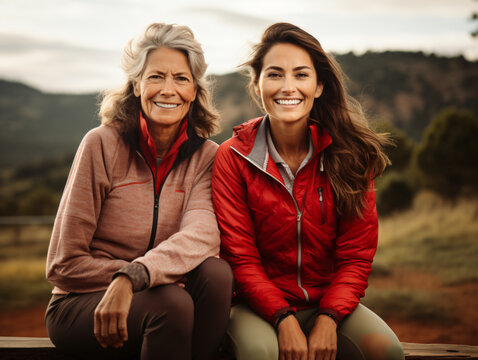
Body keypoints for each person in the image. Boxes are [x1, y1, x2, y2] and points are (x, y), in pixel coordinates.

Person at [212, 22, 404, 360]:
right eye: (274, 75)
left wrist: (329, 319)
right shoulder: (232, 157)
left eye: (301, 75)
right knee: (260, 352)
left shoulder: (350, 155)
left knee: (385, 350)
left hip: (329, 305)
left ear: (318, 87)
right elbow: (240, 258)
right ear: (257, 87)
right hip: (254, 307)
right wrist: (283, 318)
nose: (288, 87)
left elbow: (356, 256)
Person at [45, 23, 233, 360]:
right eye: (156, 76)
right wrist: (122, 279)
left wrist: (136, 276)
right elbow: (63, 264)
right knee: (172, 304)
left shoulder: (207, 157)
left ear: (194, 91)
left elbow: (201, 236)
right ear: (136, 85)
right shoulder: (101, 144)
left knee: (216, 274)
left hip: (151, 291)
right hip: (81, 303)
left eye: (181, 78)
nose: (168, 89)